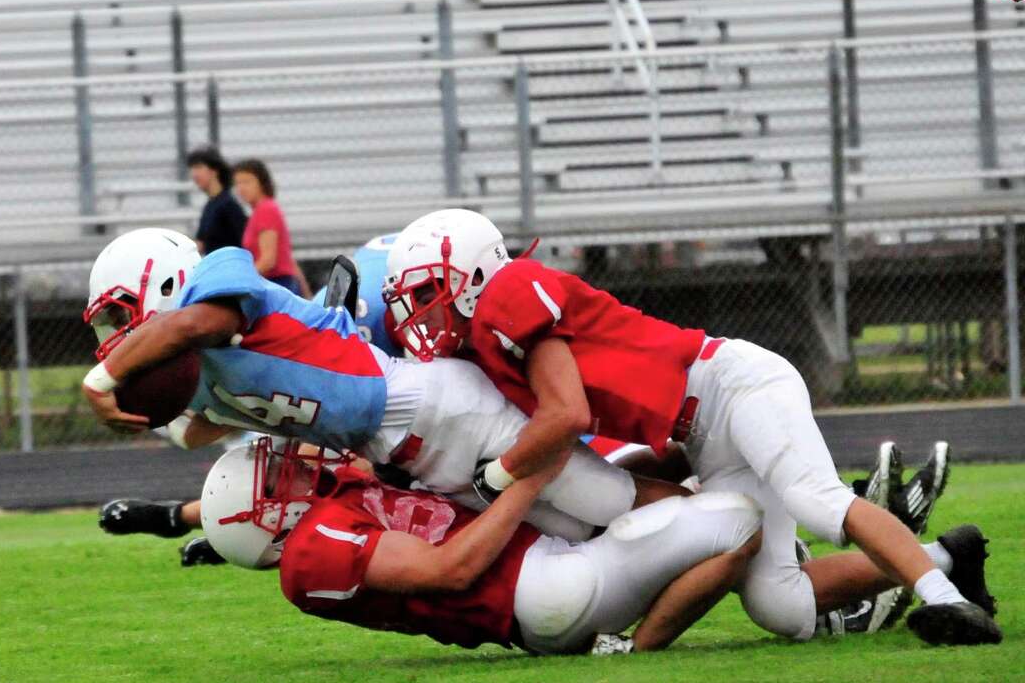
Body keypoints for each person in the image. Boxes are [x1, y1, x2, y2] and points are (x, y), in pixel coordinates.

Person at [381, 208, 1002, 647]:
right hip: (699, 433)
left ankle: (948, 604)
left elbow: (565, 415)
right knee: (778, 605)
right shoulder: (487, 344)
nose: (421, 310)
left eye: (430, 289)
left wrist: (499, 471)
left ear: (477, 272)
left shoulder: (511, 293)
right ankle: (949, 557)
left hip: (732, 386)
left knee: (817, 500)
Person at [80, 229, 683, 545]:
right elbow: (193, 430)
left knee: (607, 501)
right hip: (397, 450)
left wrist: (105, 378)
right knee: (575, 531)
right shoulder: (198, 374)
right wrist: (145, 397)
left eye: (119, 313)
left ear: (162, 284)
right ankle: (697, 523)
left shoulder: (217, 282)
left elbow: (193, 323)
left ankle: (730, 525)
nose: (115, 333)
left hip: (438, 407)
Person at [199, 436, 764, 655]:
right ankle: (639, 648)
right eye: (276, 479)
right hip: (538, 593)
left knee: (648, 465)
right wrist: (531, 480)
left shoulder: (331, 497)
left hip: (541, 560)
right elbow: (452, 569)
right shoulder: (308, 552)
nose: (293, 467)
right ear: (265, 523)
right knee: (740, 525)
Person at [233, 159, 311, 298]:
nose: (241, 188)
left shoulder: (266, 210)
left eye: (247, 182)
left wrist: (239, 281)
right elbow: (288, 258)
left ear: (262, 183)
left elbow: (268, 260)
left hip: (277, 285)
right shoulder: (260, 211)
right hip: (278, 284)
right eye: (237, 183)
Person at [188, 146, 247, 256]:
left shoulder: (229, 205)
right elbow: (200, 243)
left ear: (214, 171)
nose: (194, 174)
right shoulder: (210, 205)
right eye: (192, 169)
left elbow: (245, 242)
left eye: (198, 167)